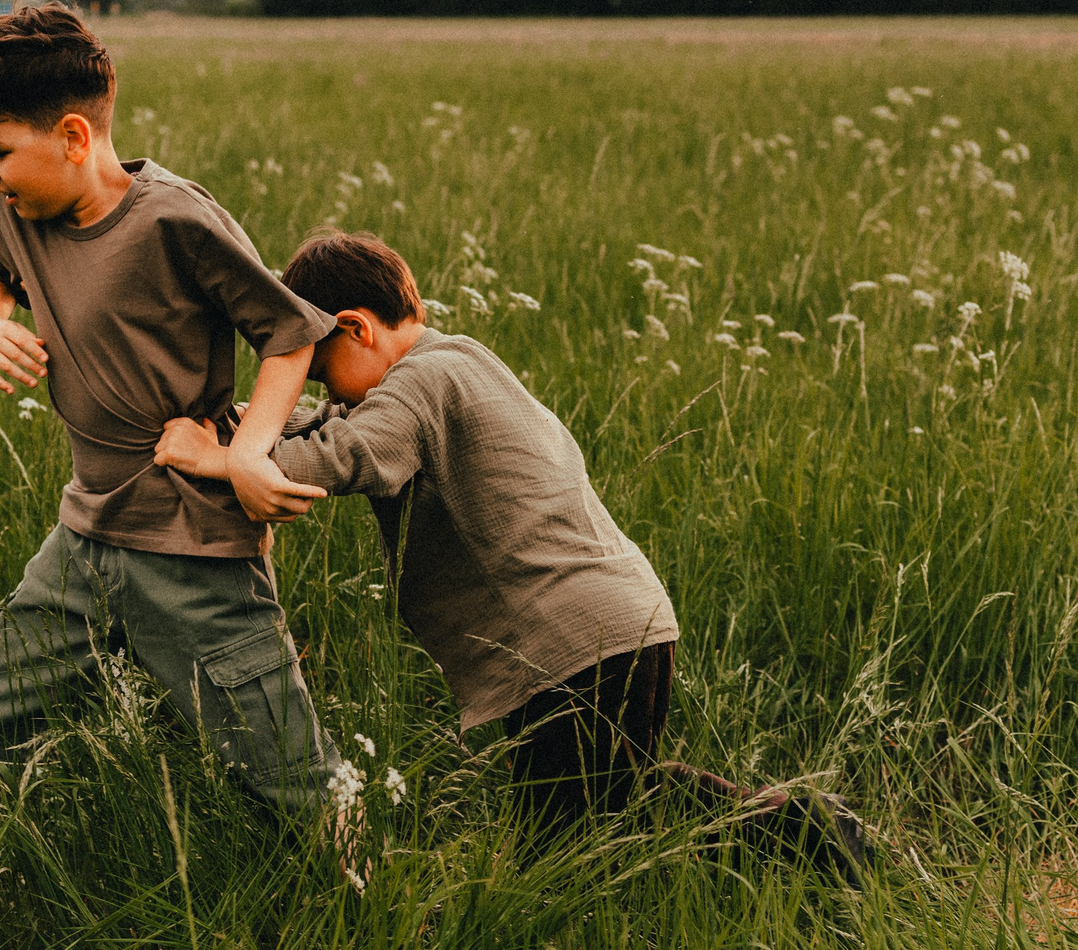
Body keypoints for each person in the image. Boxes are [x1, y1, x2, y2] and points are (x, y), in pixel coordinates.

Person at [153, 228, 868, 874]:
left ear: (355, 329)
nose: (313, 391)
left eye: (316, 369)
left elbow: (345, 454)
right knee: (612, 807)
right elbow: (328, 422)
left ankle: (808, 829)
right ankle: (802, 831)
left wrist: (218, 458)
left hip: (570, 646)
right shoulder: (452, 359)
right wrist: (240, 421)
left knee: (568, 844)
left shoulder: (419, 386)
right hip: (618, 623)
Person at [0, 4, 346, 835]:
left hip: (190, 543)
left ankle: (363, 900)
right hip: (85, 541)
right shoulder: (17, 211)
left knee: (293, 789)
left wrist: (248, 454)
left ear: (76, 138)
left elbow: (288, 332)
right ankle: (59, 853)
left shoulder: (173, 220)